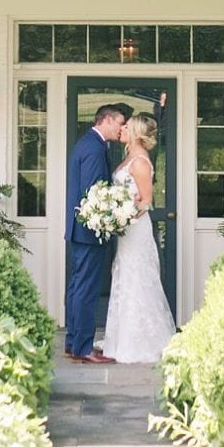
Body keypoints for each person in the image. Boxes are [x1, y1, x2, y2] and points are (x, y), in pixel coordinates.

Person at [100, 111, 177, 363]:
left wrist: (124, 215)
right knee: (124, 276)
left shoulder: (141, 162)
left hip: (136, 229)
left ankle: (143, 342)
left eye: (126, 127)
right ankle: (121, 338)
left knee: (138, 277)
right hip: (126, 231)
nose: (121, 129)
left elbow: (146, 201)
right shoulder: (128, 157)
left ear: (135, 132)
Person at [64, 103, 127, 363]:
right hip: (89, 231)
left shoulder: (89, 143)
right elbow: (94, 192)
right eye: (120, 123)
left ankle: (73, 343)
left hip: (80, 232)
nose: (122, 128)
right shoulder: (92, 148)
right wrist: (105, 219)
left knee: (78, 287)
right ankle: (83, 348)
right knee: (86, 290)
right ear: (107, 120)